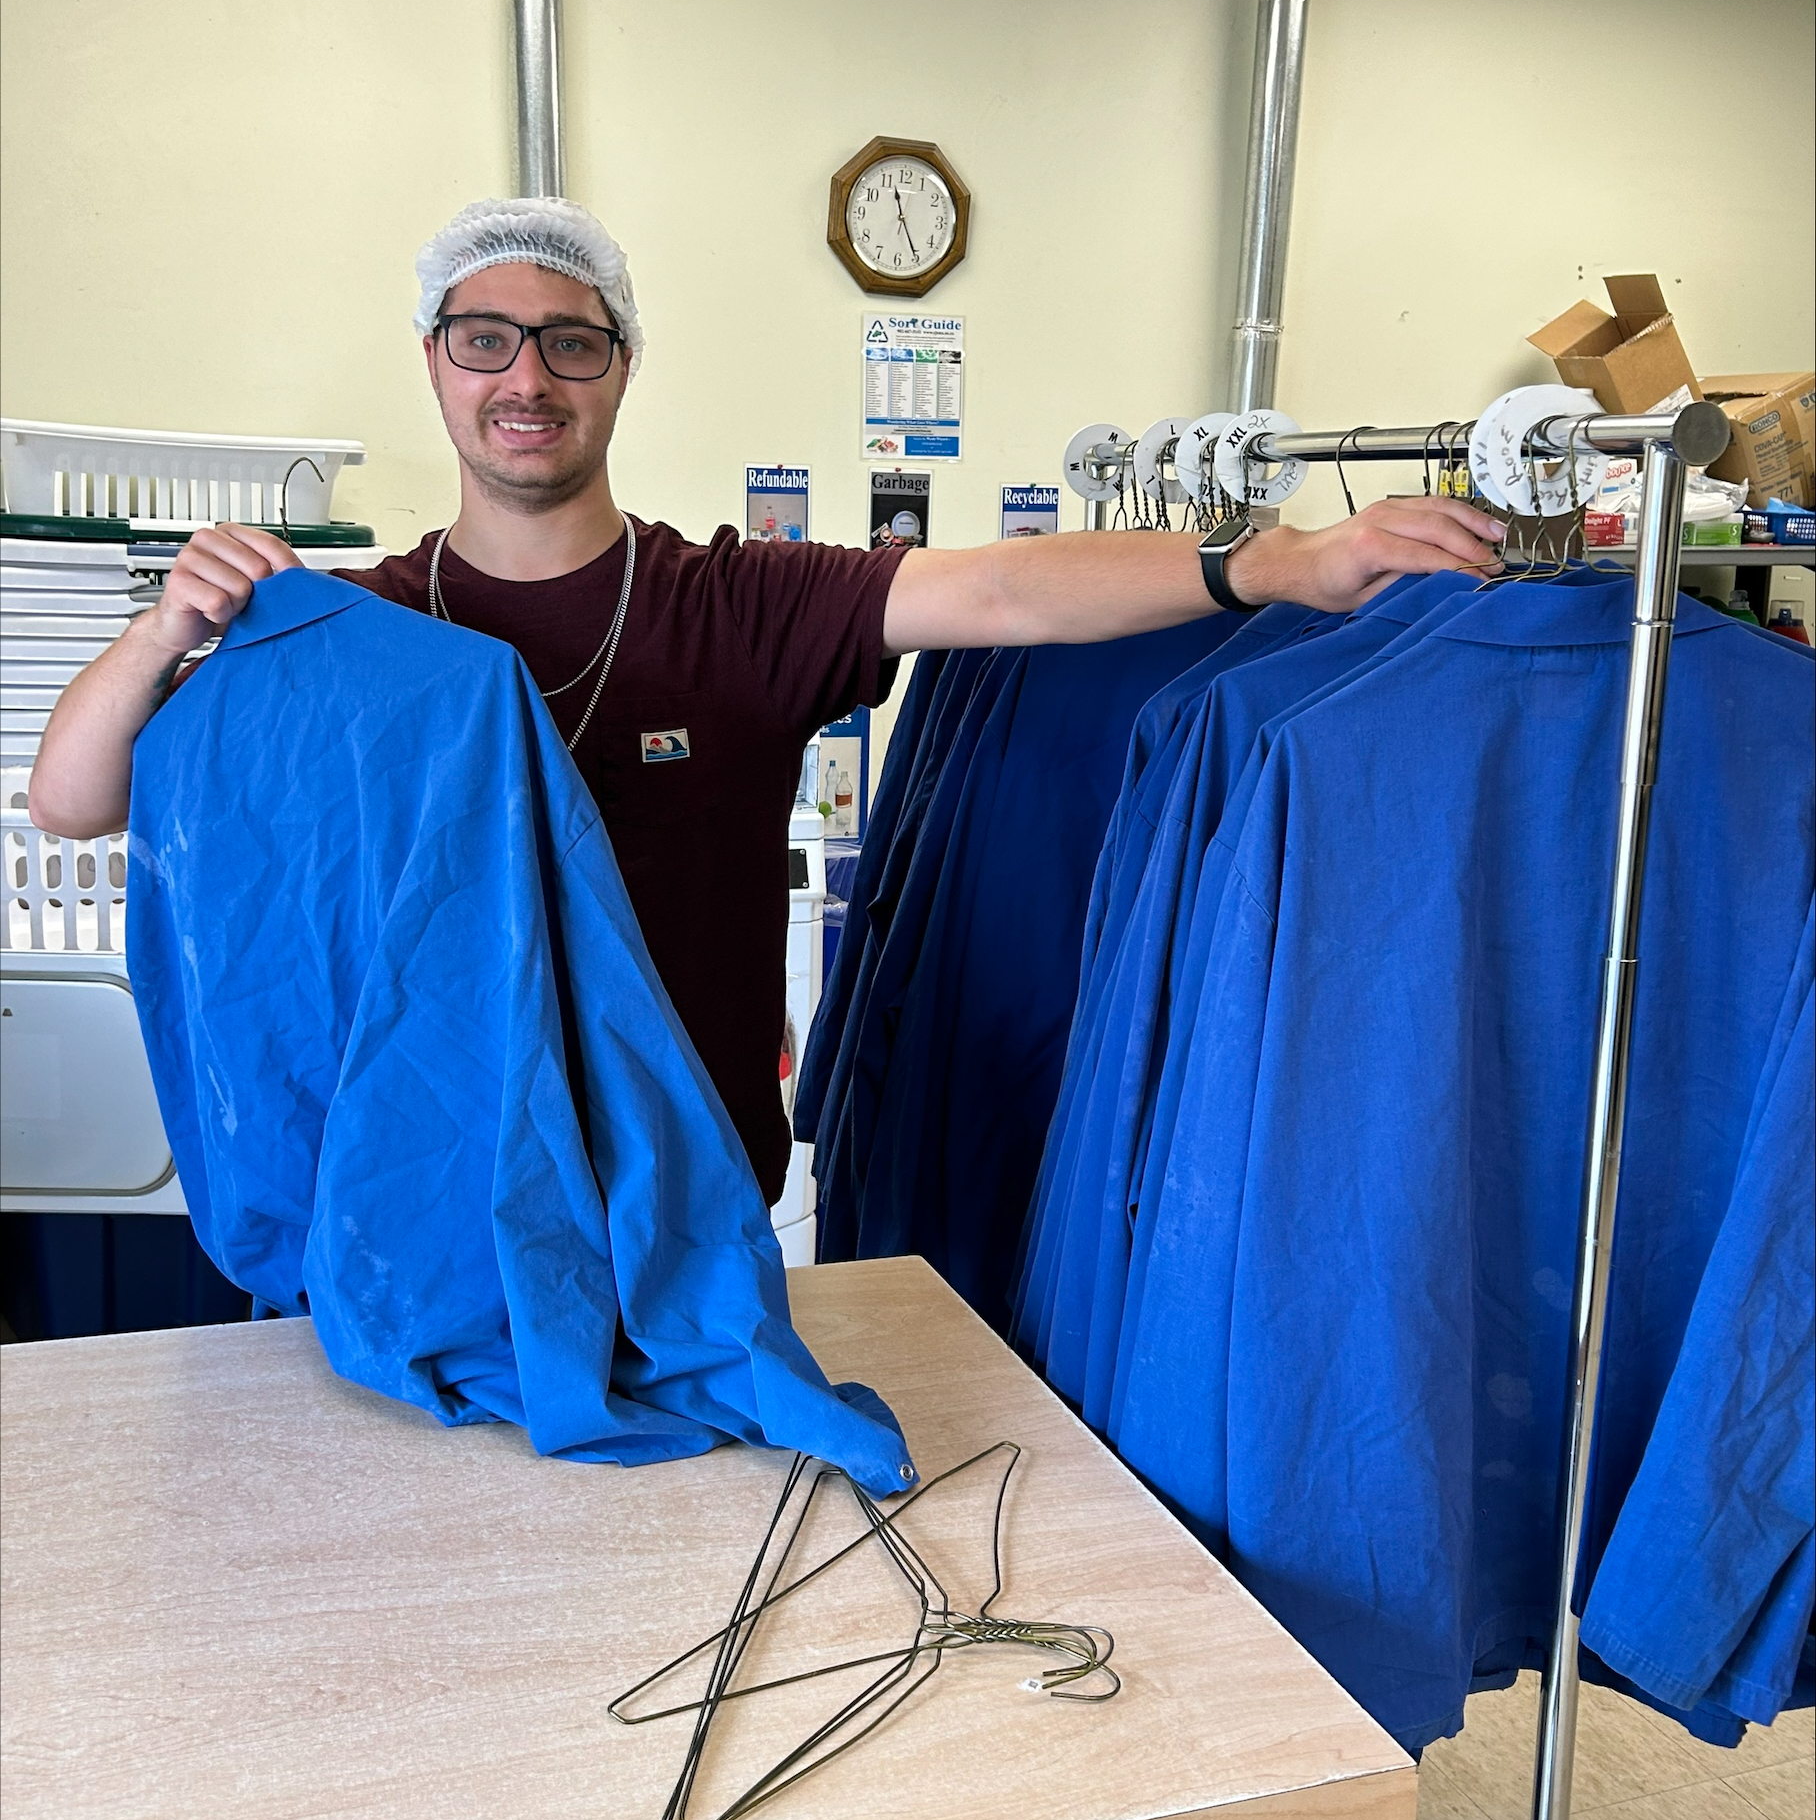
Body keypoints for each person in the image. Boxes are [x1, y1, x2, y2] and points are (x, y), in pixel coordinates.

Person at [31, 197, 1504, 1206]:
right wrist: (169, 628)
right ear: (435, 360)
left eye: (571, 341)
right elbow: (75, 798)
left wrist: (1278, 560)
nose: (526, 376)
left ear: (618, 372)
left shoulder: (738, 606)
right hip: (439, 1188)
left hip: (697, 1187)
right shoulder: (356, 630)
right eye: (486, 337)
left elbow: (998, 594)